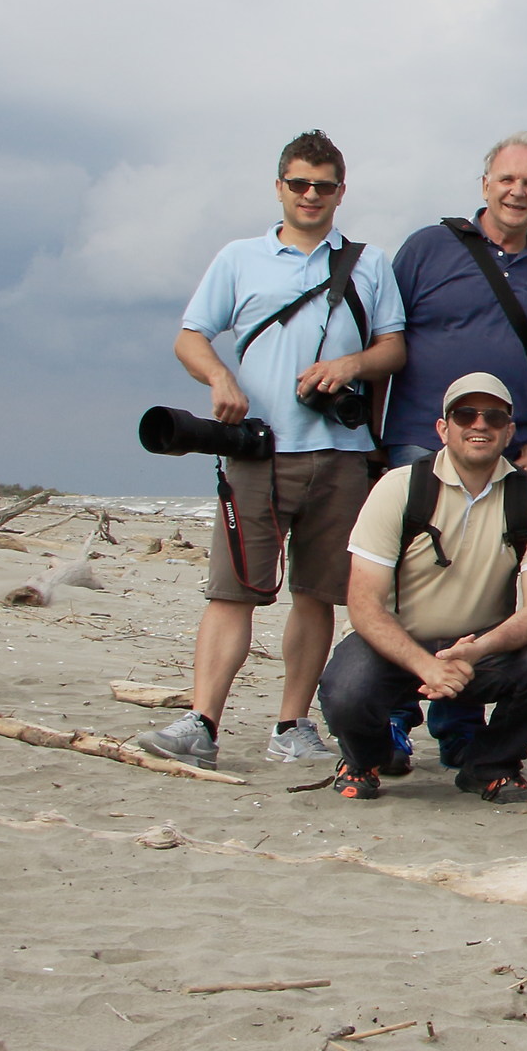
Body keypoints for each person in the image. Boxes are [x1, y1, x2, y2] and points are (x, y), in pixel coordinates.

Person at [136, 130, 407, 771]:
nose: (311, 195)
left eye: (324, 186)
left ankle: (293, 725)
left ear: (341, 192)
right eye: (300, 184)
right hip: (257, 450)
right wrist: (220, 379)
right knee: (232, 592)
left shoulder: (369, 264)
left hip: (342, 454)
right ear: (279, 187)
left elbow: (394, 349)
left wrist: (348, 366)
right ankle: (201, 721)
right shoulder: (239, 258)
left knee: (316, 595)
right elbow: (190, 337)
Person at [316, 374, 527, 801]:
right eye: (465, 414)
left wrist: (479, 650)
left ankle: (490, 766)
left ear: (509, 431)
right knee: (347, 688)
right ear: (443, 428)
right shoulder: (398, 487)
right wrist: (425, 665)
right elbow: (363, 604)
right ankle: (365, 759)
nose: (479, 424)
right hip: (396, 643)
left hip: (480, 649)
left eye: (494, 417)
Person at [382, 132, 527, 479]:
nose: (517, 192)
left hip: (510, 454)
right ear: (485, 185)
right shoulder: (427, 248)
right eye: (507, 179)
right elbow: (384, 341)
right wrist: (372, 437)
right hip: (421, 446)